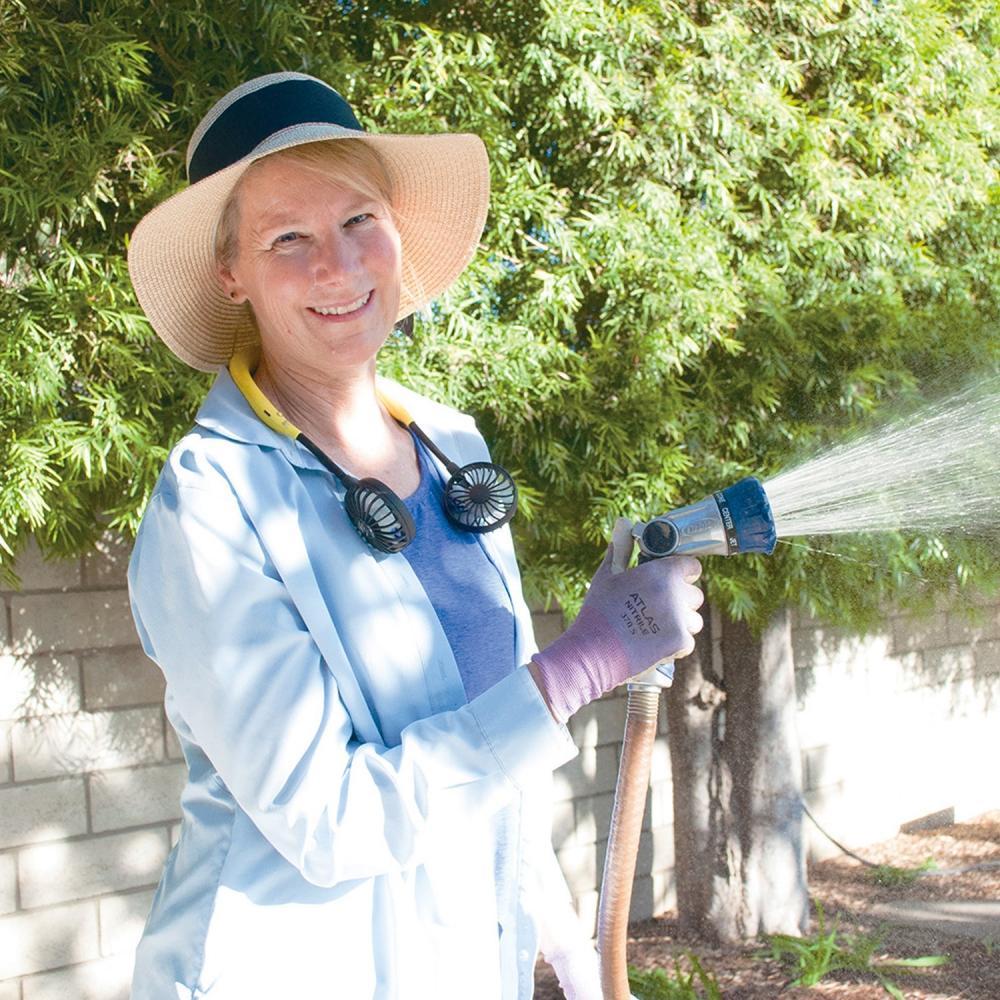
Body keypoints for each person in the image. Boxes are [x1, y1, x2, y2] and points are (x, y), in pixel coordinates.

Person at [126, 71, 704, 1000]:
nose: (337, 265)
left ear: (395, 228)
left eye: (358, 220)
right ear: (230, 273)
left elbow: (488, 755)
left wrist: (570, 950)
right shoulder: (212, 501)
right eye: (287, 238)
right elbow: (329, 820)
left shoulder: (448, 444)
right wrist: (578, 668)